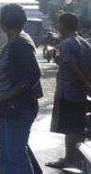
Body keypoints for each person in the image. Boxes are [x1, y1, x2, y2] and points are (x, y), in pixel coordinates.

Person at [0, 4, 43, 173]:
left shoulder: (20, 43)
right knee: (6, 153)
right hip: (11, 106)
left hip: (18, 106)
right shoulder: (18, 40)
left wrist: (7, 96)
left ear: (3, 23)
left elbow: (34, 74)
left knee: (14, 155)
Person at [46, 13, 91, 170]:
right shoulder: (84, 43)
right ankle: (75, 158)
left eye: (59, 25)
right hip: (79, 93)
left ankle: (69, 159)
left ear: (63, 26)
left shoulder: (66, 44)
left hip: (68, 92)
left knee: (69, 129)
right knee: (77, 127)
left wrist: (84, 84)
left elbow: (72, 67)